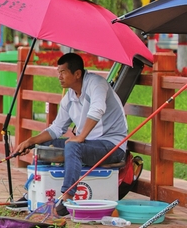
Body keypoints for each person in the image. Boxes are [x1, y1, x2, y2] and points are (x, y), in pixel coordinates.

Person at [13, 53, 128, 216]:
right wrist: (29, 142)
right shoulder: (69, 97)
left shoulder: (96, 84)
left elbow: (98, 109)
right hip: (87, 145)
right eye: (58, 72)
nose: (59, 76)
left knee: (73, 146)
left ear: (77, 74)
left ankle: (66, 199)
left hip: (111, 146)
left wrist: (81, 137)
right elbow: (56, 129)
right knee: (44, 146)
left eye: (63, 72)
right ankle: (32, 192)